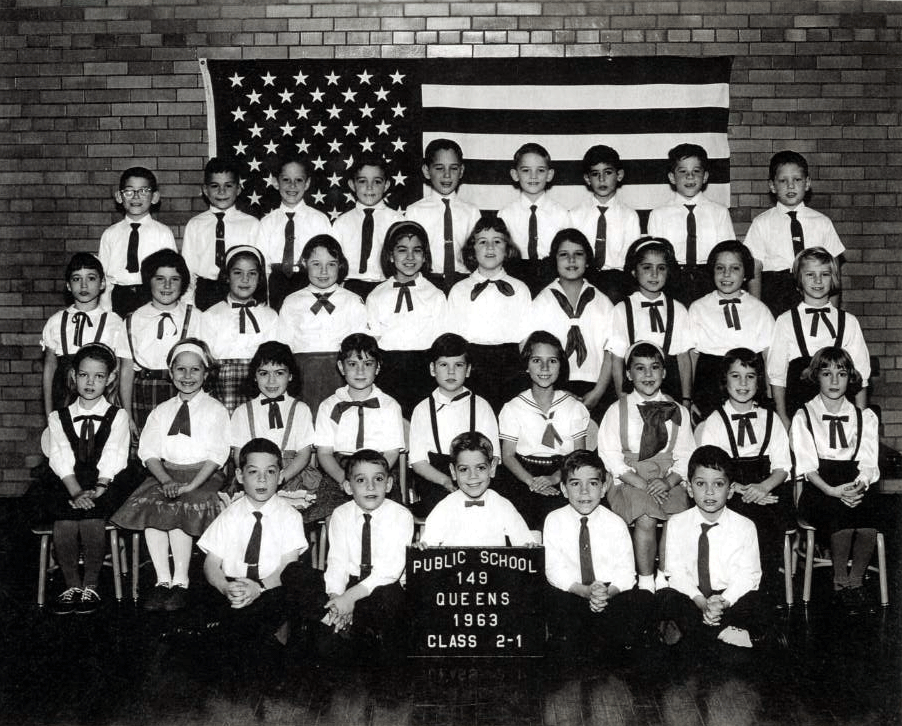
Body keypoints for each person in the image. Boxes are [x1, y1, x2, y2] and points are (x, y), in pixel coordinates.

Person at [111, 339, 229, 612]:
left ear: (206, 374)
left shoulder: (216, 410)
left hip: (203, 476)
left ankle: (181, 581)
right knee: (155, 507)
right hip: (166, 474)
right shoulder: (161, 411)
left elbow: (217, 455)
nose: (187, 376)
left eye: (195, 370)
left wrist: (191, 485)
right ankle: (162, 580)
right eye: (180, 369)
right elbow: (149, 451)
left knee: (178, 507)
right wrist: (165, 479)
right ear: (171, 372)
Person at [28, 343, 131, 615]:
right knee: (64, 519)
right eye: (84, 375)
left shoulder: (118, 416)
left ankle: (91, 585)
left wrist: (98, 489)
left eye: (99, 376)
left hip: (104, 481)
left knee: (91, 518)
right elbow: (59, 455)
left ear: (110, 378)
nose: (90, 382)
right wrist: (75, 491)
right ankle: (71, 585)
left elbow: (115, 454)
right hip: (67, 481)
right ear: (74, 375)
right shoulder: (58, 417)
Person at [695, 349, 792, 601]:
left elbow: (782, 466)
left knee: (770, 518)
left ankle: (765, 590)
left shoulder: (771, 419)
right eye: (736, 376)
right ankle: (735, 591)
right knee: (737, 518)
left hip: (768, 488)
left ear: (759, 381)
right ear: (724, 380)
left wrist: (763, 488)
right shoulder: (715, 421)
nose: (743, 383)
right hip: (728, 490)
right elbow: (712, 470)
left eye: (750, 376)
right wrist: (740, 489)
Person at [598, 342, 694, 592]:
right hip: (630, 480)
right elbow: (610, 455)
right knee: (646, 516)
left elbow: (686, 454)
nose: (648, 374)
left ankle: (664, 576)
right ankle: (645, 580)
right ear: (629, 374)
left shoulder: (679, 411)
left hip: (666, 478)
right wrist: (642, 483)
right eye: (640, 368)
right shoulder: (616, 410)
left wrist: (668, 482)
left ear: (664, 372)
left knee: (676, 518)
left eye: (654, 367)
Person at [791, 346, 881, 613]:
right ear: (815, 376)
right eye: (826, 373)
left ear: (850, 378)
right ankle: (840, 583)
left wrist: (859, 486)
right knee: (838, 514)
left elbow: (868, 462)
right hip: (819, 487)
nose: (834, 381)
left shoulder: (863, 417)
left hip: (853, 483)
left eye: (841, 374)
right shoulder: (804, 415)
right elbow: (807, 467)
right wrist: (832, 491)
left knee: (869, 516)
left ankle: (856, 582)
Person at [198, 438, 308, 648]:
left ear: (280, 476)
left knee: (267, 620)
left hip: (271, 586)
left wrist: (259, 588)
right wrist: (225, 587)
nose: (262, 479)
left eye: (270, 472)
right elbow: (211, 564)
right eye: (253, 472)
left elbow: (288, 567)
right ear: (240, 476)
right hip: (234, 585)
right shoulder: (230, 514)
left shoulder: (290, 516)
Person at [543, 450, 654, 653]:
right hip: (574, 593)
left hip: (608, 596)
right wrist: (585, 592)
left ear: (603, 488)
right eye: (575, 484)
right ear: (564, 489)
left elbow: (626, 574)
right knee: (553, 602)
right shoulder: (554, 520)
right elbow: (553, 570)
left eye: (593, 483)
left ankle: (603, 645)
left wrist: (605, 594)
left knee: (642, 600)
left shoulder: (616, 523)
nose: (584, 492)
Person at [658, 445, 764, 648]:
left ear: (730, 490)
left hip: (728, 596)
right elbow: (676, 573)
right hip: (693, 595)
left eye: (718, 484)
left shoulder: (745, 526)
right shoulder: (677, 523)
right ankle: (722, 632)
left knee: (758, 601)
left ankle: (699, 634)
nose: (709, 492)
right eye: (700, 484)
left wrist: (723, 602)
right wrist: (701, 602)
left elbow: (749, 576)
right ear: (689, 488)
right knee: (667, 598)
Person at [229, 341, 343, 525]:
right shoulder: (242, 412)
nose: (271, 381)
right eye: (264, 373)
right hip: (255, 475)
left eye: (279, 373)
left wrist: (280, 477)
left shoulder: (301, 409)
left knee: (289, 520)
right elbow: (238, 455)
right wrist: (257, 476)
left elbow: (304, 454)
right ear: (254, 376)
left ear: (290, 376)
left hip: (291, 476)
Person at [313, 449, 414, 652]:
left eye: (378, 479)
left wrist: (349, 598)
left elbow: (389, 571)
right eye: (361, 480)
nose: (371, 486)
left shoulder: (401, 516)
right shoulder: (340, 514)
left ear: (389, 484)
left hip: (384, 586)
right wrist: (337, 599)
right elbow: (337, 563)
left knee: (388, 599)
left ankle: (354, 632)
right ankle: (341, 620)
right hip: (351, 582)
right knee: (296, 573)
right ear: (348, 487)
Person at [766, 247, 870, 430]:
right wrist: (784, 419)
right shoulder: (785, 321)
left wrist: (860, 420)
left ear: (834, 278)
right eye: (810, 274)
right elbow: (777, 377)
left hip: (840, 412)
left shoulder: (849, 321)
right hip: (799, 411)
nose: (818, 280)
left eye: (825, 274)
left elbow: (861, 374)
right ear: (799, 278)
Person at [497, 331, 590, 531]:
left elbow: (578, 455)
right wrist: (532, 482)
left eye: (552, 361)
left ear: (561, 366)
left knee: (563, 519)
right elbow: (508, 456)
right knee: (520, 518)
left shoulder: (573, 406)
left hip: (564, 470)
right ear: (526, 366)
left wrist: (555, 478)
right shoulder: (513, 407)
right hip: (523, 473)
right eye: (536, 360)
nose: (545, 368)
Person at [408, 333, 500, 519]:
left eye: (458, 365)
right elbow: (418, 462)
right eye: (444, 365)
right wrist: (445, 481)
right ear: (432, 369)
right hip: (437, 479)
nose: (451, 372)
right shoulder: (422, 409)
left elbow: (494, 457)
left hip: (476, 478)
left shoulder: (481, 406)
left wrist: (472, 481)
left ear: (468, 370)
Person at [446, 215, 531, 412]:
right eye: (483, 242)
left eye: (497, 241)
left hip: (511, 367)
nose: (490, 248)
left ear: (507, 248)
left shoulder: (520, 289)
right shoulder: (459, 290)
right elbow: (453, 339)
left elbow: (526, 339)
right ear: (472, 249)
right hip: (472, 367)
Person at [744, 150, 845, 316]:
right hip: (775, 295)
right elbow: (754, 270)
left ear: (807, 183)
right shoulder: (761, 223)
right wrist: (757, 310)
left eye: (797, 180)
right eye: (783, 180)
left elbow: (834, 271)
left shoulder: (823, 222)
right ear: (772, 186)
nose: (790, 186)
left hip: (814, 291)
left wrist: (833, 313)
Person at [530, 228, 616, 419]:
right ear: (554, 260)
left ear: (587, 261)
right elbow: (530, 350)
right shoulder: (541, 302)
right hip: (552, 386)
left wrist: (598, 392)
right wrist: (557, 391)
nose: (571, 260)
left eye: (578, 254)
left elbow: (612, 351)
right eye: (564, 255)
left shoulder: (603, 303)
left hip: (596, 386)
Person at [115, 249, 202, 435]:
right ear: (149, 281)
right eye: (160, 278)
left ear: (183, 283)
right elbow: (126, 371)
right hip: (143, 394)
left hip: (185, 392)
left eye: (174, 279)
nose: (167, 285)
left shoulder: (196, 317)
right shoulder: (133, 320)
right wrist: (127, 415)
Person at [277, 235, 368, 415]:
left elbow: (360, 346)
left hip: (341, 374)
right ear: (304, 263)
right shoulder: (292, 301)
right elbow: (284, 346)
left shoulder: (352, 301)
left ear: (340, 265)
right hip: (304, 375)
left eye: (331, 264)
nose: (323, 271)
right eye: (316, 264)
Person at [366, 220, 447, 417]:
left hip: (424, 373)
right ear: (390, 255)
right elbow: (373, 342)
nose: (410, 257)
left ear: (425, 256)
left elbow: (441, 344)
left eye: (417, 250)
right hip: (388, 372)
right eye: (402, 250)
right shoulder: (376, 295)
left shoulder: (435, 295)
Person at [688, 240, 774, 421]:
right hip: (709, 382)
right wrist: (690, 398)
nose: (726, 274)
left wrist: (769, 397)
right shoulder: (698, 308)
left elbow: (768, 356)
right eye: (720, 268)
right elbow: (693, 357)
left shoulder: (759, 309)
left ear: (746, 274)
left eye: (735, 268)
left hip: (747, 380)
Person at [313, 333, 405, 498]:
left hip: (379, 470)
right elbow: (324, 453)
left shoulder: (390, 406)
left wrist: (374, 477)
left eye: (368, 364)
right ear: (341, 367)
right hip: (339, 471)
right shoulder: (328, 406)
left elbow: (391, 452)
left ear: (377, 367)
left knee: (389, 509)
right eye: (352, 364)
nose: (360, 371)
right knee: (328, 508)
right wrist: (345, 479)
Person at [608, 237, 693, 404]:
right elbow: (617, 359)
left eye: (661, 268)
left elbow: (684, 359)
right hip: (634, 388)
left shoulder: (678, 309)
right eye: (647, 267)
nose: (654, 274)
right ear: (634, 271)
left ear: (668, 272)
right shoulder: (622, 309)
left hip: (670, 387)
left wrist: (686, 399)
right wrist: (622, 399)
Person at [647, 144, 735, 304]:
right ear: (672, 177)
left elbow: (727, 253)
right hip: (673, 279)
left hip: (709, 278)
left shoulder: (720, 213)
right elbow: (657, 256)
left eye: (696, 171)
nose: (690, 177)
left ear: (705, 176)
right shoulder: (659, 214)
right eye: (683, 172)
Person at [41, 253, 124, 419]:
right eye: (77, 279)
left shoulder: (114, 321)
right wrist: (49, 413)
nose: (84, 285)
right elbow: (49, 369)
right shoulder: (56, 321)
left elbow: (119, 368)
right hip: (64, 396)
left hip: (101, 395)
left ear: (102, 283)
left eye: (91, 278)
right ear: (68, 285)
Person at [419, 432, 535, 547]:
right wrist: (422, 547)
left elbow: (524, 541)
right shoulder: (445, 507)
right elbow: (428, 546)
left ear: (492, 468)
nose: (473, 476)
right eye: (464, 469)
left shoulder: (502, 505)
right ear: (453, 472)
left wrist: (528, 546)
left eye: (480, 468)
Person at [202, 245, 279, 415]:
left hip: (260, 382)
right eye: (238, 273)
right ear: (226, 277)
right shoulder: (211, 315)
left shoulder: (269, 316)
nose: (245, 279)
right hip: (222, 385)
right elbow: (206, 360)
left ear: (260, 278)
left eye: (252, 273)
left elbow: (273, 356)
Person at [181, 156, 261, 310]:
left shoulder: (251, 224)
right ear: (205, 190)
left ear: (238, 189)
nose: (222, 191)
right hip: (206, 292)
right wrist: (187, 304)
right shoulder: (195, 224)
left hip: (240, 289)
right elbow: (188, 269)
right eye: (215, 186)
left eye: (228, 185)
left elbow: (258, 267)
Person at [255, 155, 332, 311]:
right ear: (275, 182)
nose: (292, 185)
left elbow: (329, 259)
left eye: (298, 180)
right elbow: (262, 265)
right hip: (277, 283)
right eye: (286, 180)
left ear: (307, 183)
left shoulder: (319, 219)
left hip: (308, 280)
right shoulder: (267, 222)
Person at [97, 166, 177, 316]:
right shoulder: (110, 234)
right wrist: (106, 310)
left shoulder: (163, 233)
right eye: (129, 191)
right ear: (119, 196)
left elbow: (171, 272)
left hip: (151, 297)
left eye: (143, 191)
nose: (135, 197)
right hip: (119, 298)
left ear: (155, 197)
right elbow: (104, 277)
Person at [567, 144, 640, 304]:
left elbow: (631, 260)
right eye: (595, 174)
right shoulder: (575, 215)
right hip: (584, 275)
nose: (602, 179)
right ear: (587, 179)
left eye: (608, 172)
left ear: (619, 175)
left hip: (617, 279)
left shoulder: (629, 216)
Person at [404, 138, 480, 292]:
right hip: (427, 283)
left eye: (453, 168)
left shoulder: (472, 212)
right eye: (439, 168)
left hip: (464, 282)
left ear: (461, 171)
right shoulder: (414, 211)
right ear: (426, 171)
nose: (447, 175)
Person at [497, 142, 570, 295]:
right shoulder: (505, 214)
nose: (533, 176)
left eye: (540, 170)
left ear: (549, 175)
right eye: (526, 170)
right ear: (515, 174)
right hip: (515, 274)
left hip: (551, 274)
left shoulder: (562, 214)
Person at [332, 153, 404, 300]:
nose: (369, 187)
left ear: (386, 185)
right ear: (352, 185)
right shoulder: (341, 223)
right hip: (350, 287)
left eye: (377, 182)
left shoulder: (397, 220)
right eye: (362, 181)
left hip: (386, 287)